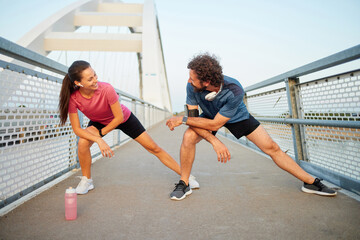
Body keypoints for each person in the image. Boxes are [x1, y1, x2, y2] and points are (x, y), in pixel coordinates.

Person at [166, 53, 337, 200]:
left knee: (272, 147)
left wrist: (182, 119)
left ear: (206, 81)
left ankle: (310, 182)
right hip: (209, 117)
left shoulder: (234, 89)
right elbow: (194, 119)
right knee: (188, 136)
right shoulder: (192, 87)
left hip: (237, 117)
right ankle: (184, 183)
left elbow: (216, 124)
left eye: (192, 78)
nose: (188, 81)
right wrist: (213, 140)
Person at [59, 60, 199, 194]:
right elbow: (77, 129)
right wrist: (99, 140)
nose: (95, 80)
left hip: (123, 118)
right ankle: (87, 181)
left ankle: (186, 177)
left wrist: (100, 135)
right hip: (98, 122)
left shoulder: (106, 88)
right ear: (78, 83)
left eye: (94, 75)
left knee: (154, 148)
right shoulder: (74, 98)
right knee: (83, 143)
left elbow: (118, 118)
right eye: (90, 79)